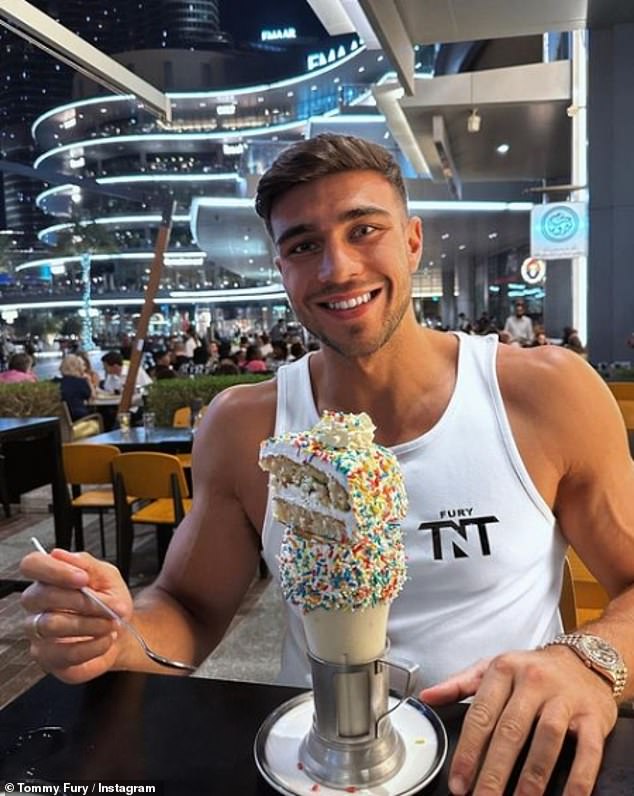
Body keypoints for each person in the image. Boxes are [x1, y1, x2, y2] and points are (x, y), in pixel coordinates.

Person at [20, 133, 634, 796]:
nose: (336, 268)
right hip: (317, 770)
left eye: (363, 229)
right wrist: (115, 636)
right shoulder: (245, 427)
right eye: (302, 245)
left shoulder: (543, 394)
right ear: (281, 269)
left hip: (497, 759)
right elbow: (187, 607)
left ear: (413, 240)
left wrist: (589, 661)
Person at [59, 353, 93, 420]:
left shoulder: (56, 383)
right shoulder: (81, 382)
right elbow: (90, 396)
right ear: (78, 366)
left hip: (61, 422)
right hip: (80, 419)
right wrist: (88, 381)